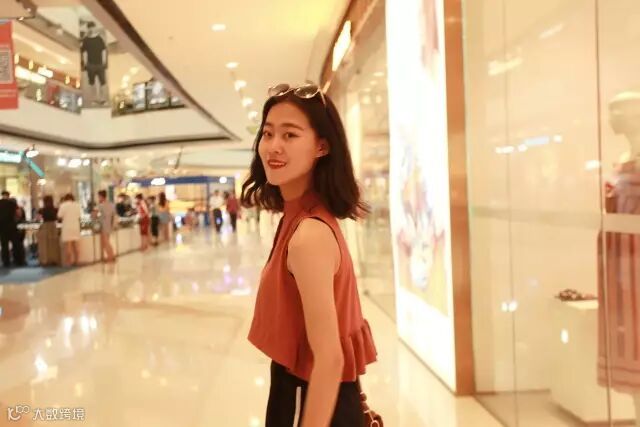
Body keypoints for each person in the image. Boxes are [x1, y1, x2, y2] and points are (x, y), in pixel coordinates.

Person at [241, 83, 378, 426]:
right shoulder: (300, 218)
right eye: (268, 133)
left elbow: (329, 359)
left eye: (290, 135)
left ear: (321, 146)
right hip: (306, 392)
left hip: (309, 399)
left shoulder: (308, 235)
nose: (273, 146)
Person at [80, 21, 107, 105]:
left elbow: (103, 50)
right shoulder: (86, 40)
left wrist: (104, 61)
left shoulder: (99, 39)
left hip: (100, 64)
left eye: (93, 27)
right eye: (90, 28)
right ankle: (94, 99)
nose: (91, 29)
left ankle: (102, 99)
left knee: (102, 82)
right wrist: (85, 63)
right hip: (90, 64)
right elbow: (84, 52)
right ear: (88, 29)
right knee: (92, 83)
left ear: (95, 28)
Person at [58, 193, 82, 266]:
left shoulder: (63, 205)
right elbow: (79, 216)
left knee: (68, 246)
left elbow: (59, 216)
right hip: (76, 226)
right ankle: (77, 261)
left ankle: (69, 262)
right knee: (76, 245)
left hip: (67, 227)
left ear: (65, 199)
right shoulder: (77, 205)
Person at [37, 195, 61, 266]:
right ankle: (54, 260)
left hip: (45, 226)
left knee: (44, 245)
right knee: (53, 244)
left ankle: (45, 260)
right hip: (53, 226)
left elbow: (38, 219)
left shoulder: (41, 210)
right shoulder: (55, 209)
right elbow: (58, 218)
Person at [0, 191, 22, 267]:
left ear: (2, 195)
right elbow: (18, 213)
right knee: (15, 244)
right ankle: (17, 261)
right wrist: (16, 220)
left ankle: (6, 262)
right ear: (8, 196)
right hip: (11, 226)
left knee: (4, 245)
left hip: (2, 227)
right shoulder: (12, 203)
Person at [96, 190, 116, 263]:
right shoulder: (111, 204)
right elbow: (114, 214)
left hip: (104, 225)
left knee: (106, 242)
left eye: (99, 196)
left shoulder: (101, 205)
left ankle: (110, 257)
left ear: (101, 196)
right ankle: (111, 256)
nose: (98, 198)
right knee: (107, 242)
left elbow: (94, 215)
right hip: (109, 225)